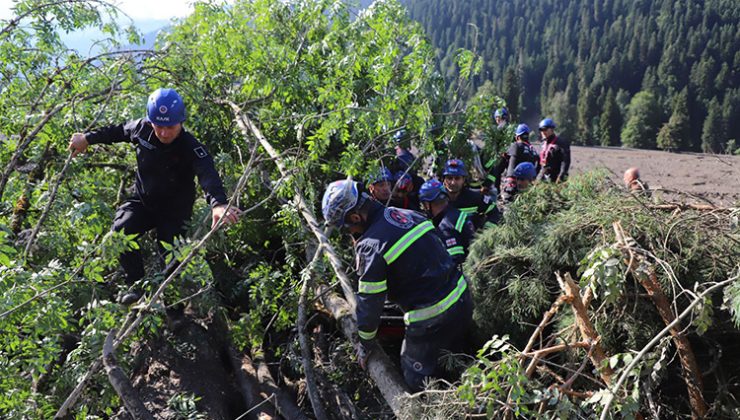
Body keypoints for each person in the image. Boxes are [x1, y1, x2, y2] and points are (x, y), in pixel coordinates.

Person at [68, 88, 241, 305]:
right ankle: (136, 287)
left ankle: (173, 311)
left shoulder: (191, 146)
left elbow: (208, 174)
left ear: (181, 122)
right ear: (151, 122)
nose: (164, 132)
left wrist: (218, 204)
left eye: (170, 127)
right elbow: (118, 131)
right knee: (120, 232)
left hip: (174, 213)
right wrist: (87, 138)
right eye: (159, 126)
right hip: (144, 202)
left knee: (170, 261)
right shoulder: (142, 129)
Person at [321, 180, 473, 392]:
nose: (349, 233)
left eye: (347, 228)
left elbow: (370, 302)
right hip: (463, 298)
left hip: (433, 319)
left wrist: (364, 345)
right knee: (454, 356)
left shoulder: (370, 246)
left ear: (356, 217)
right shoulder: (405, 214)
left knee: (415, 373)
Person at [418, 179, 475, 266]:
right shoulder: (455, 215)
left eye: (424, 205)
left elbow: (454, 261)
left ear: (428, 204)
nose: (424, 209)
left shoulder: (445, 227)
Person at [442, 159, 500, 229]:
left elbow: (494, 212)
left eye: (457, 178)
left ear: (463, 180)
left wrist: (486, 233)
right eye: (449, 178)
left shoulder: (474, 197)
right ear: (444, 180)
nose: (453, 182)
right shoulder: (436, 198)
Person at [537, 118, 571, 183]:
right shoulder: (542, 144)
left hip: (557, 178)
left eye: (545, 129)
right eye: (541, 130)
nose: (543, 132)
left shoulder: (561, 142)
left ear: (552, 129)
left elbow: (566, 161)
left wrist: (561, 176)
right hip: (543, 177)